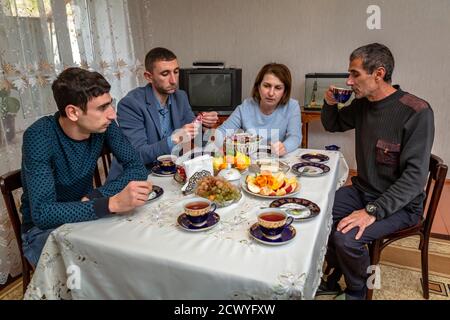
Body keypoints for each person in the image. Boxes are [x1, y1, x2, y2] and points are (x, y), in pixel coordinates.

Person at [319, 43, 434, 300]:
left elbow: (415, 180)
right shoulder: (363, 105)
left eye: (354, 74)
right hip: (364, 190)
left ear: (378, 74)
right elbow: (333, 124)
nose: (349, 81)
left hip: (401, 205)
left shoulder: (416, 111)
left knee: (346, 238)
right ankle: (333, 276)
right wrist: (329, 104)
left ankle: (359, 289)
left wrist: (372, 211)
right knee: (317, 215)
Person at [20, 67, 152, 267]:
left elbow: (137, 168)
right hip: (44, 230)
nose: (112, 114)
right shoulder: (39, 136)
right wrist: (111, 204)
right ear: (73, 112)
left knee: (138, 247)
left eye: (111, 104)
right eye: (102, 108)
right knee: (108, 266)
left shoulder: (103, 126)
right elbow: (43, 213)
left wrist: (95, 197)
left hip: (88, 213)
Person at [107, 47, 219, 180]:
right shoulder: (130, 104)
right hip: (137, 178)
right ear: (149, 76)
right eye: (165, 74)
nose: (173, 80)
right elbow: (137, 155)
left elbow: (196, 139)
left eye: (176, 72)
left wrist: (204, 124)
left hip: (170, 173)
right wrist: (174, 139)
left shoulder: (181, 97)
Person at [216, 63, 302, 156]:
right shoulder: (246, 107)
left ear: (285, 91)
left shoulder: (292, 106)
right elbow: (222, 131)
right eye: (266, 86)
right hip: (250, 161)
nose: (271, 93)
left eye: (278, 88)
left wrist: (284, 147)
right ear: (258, 86)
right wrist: (220, 143)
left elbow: (295, 137)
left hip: (278, 161)